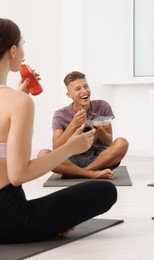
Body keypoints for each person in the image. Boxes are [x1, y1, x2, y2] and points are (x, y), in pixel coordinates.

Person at [0, 18, 117, 243]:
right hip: (8, 219)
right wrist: (70, 147)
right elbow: (18, 175)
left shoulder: (16, 99)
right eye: (22, 44)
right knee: (104, 192)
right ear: (13, 51)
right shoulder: (18, 103)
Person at [38, 71, 129, 179]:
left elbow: (109, 142)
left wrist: (101, 131)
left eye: (86, 86)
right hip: (71, 158)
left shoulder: (103, 106)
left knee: (122, 143)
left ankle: (79, 172)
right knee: (43, 155)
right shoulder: (60, 114)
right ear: (69, 94)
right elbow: (56, 147)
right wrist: (73, 125)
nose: (84, 91)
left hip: (99, 158)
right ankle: (91, 173)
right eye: (78, 89)